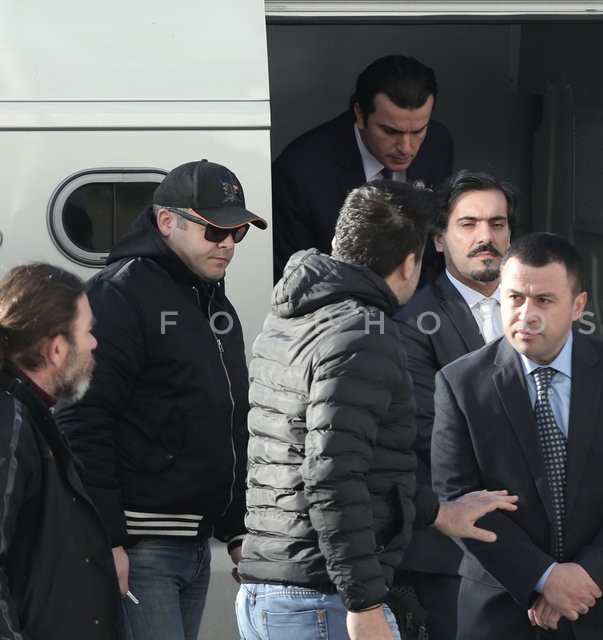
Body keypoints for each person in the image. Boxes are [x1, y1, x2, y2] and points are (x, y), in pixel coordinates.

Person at [236, 180, 518, 640]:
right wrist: (364, 602)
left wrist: (436, 512)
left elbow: (359, 468)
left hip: (274, 589)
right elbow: (334, 477)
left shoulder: (290, 319)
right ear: (410, 263)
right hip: (323, 600)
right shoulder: (365, 332)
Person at [57, 159, 268, 640]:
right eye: (216, 230)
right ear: (167, 221)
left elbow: (232, 418)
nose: (229, 244)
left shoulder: (211, 298)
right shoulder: (120, 295)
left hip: (194, 545)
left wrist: (238, 528)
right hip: (142, 546)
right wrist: (106, 542)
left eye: (238, 232)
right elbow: (81, 420)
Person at [432, 232, 603, 640]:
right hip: (506, 612)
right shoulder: (461, 384)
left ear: (578, 305)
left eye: (544, 300)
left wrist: (585, 577)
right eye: (514, 298)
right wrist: (543, 579)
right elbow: (458, 498)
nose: (526, 315)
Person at [393, 170, 517, 640]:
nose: (486, 237)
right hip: (450, 557)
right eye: (468, 224)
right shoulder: (412, 321)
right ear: (439, 240)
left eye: (497, 223)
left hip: (544, 553)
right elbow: (431, 433)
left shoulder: (545, 311)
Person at [0, 262, 124, 639]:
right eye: (87, 331)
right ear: (56, 348)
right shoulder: (9, 420)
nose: (94, 343)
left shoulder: (31, 414)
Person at [272, 54, 455, 281]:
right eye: (390, 131)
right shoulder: (300, 170)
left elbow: (436, 253)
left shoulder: (438, 144)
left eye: (418, 131)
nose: (406, 148)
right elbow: (294, 279)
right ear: (359, 114)